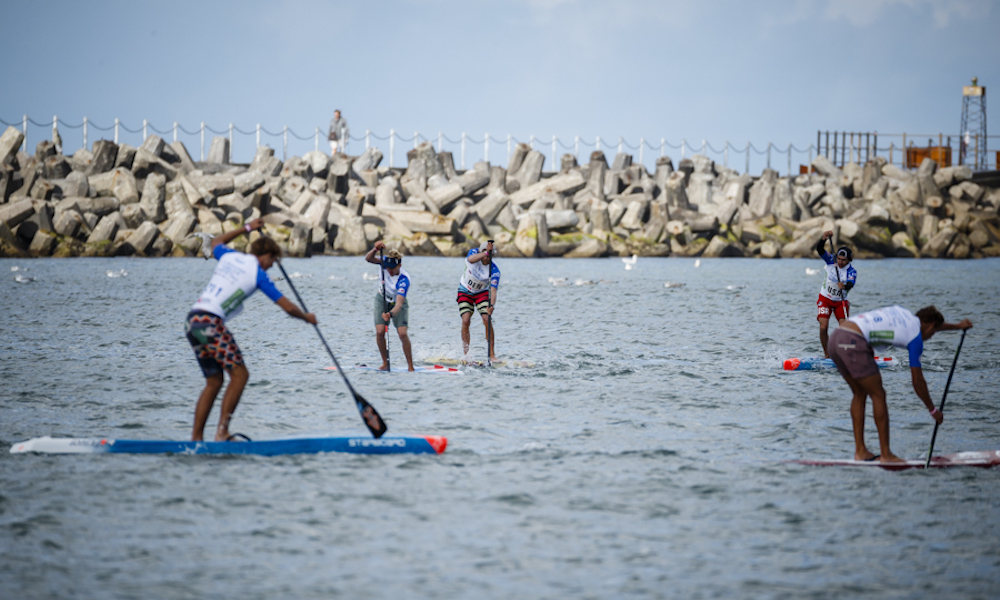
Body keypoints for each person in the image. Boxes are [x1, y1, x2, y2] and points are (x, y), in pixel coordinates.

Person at [185, 219, 316, 441]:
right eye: (273, 261)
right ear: (267, 256)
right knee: (240, 375)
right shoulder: (258, 273)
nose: (272, 266)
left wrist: (247, 228)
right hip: (210, 322)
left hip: (193, 320)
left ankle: (196, 440)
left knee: (214, 381)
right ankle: (222, 432)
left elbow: (216, 241)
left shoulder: (230, 256)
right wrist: (307, 317)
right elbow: (288, 307)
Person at [828, 305, 972, 463]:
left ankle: (861, 451)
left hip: (836, 337)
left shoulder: (906, 315)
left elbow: (936, 325)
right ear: (930, 325)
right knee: (878, 394)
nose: (931, 336)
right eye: (933, 333)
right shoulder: (915, 338)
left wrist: (958, 326)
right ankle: (886, 455)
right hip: (853, 341)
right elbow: (917, 381)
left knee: (859, 393)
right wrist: (932, 410)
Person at [364, 241, 413, 371]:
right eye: (388, 268)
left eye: (393, 269)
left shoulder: (404, 279)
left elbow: (399, 304)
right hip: (382, 298)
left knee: (402, 334)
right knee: (380, 332)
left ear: (400, 266)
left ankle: (410, 367)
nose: (389, 271)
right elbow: (368, 259)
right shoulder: (385, 262)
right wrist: (375, 249)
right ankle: (385, 364)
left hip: (397, 303)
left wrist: (390, 314)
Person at [815, 230, 857, 358]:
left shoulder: (851, 271)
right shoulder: (830, 260)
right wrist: (824, 239)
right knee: (823, 327)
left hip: (841, 302)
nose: (840, 262)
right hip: (825, 298)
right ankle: (827, 354)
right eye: (839, 258)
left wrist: (844, 286)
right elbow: (819, 249)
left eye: (843, 260)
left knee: (844, 329)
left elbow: (851, 283)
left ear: (849, 260)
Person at [457, 240, 500, 362]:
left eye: (490, 256)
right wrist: (486, 252)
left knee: (487, 319)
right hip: (465, 290)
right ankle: (466, 355)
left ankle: (491, 355)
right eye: (485, 255)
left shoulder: (495, 270)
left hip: (481, 293)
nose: (487, 259)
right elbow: (470, 260)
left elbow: (493, 291)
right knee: (466, 320)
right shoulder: (473, 253)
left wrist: (491, 306)